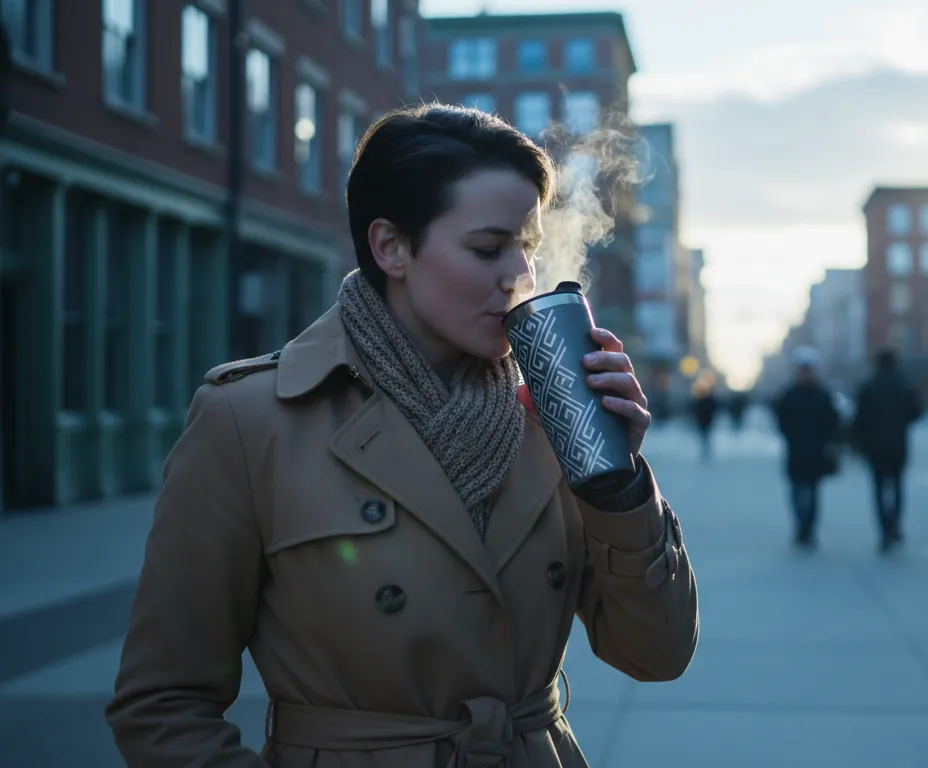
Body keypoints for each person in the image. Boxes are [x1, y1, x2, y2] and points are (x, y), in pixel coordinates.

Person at [105, 104, 699, 768]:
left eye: (526, 247)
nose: (518, 277)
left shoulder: (552, 415)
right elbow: (163, 705)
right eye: (486, 248)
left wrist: (616, 483)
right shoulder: (252, 420)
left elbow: (657, 655)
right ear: (391, 247)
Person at [852, 349, 923, 552]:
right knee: (898, 486)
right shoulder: (904, 385)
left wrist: (860, 442)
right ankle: (895, 525)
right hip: (898, 445)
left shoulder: (869, 386)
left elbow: (859, 418)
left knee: (878, 488)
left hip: (875, 447)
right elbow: (916, 412)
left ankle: (884, 530)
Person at [772, 348, 840, 549]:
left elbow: (832, 423)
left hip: (816, 454)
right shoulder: (789, 395)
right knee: (797, 492)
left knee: (812, 492)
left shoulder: (822, 395)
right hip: (796, 452)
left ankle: (808, 530)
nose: (805, 374)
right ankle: (801, 527)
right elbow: (781, 421)